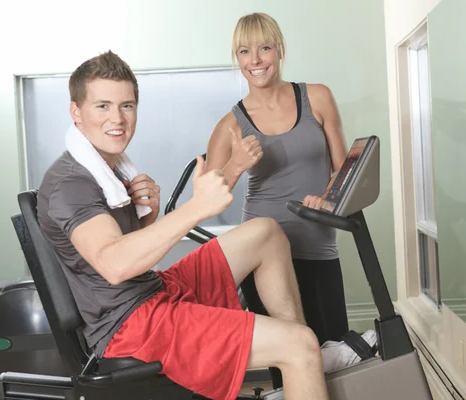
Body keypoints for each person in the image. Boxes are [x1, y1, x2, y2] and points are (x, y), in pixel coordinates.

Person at [36, 50, 330, 400]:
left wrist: (147, 218)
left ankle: (297, 375)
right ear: (76, 112)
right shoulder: (71, 183)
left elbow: (120, 257)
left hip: (153, 291)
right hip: (130, 326)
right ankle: (299, 358)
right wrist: (195, 208)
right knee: (303, 346)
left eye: (126, 106)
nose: (117, 118)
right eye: (102, 106)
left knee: (265, 233)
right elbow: (114, 265)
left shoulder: (108, 170)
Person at [205, 12, 362, 388]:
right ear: (236, 57)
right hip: (264, 257)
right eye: (245, 51)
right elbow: (209, 199)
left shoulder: (317, 97)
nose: (255, 60)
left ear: (279, 50)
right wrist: (236, 166)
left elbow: (344, 172)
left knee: (336, 359)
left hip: (318, 246)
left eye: (264, 48)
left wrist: (326, 198)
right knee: (289, 366)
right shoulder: (230, 124)